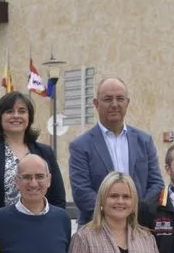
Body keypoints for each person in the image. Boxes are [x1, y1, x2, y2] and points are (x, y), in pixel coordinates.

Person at [68, 78, 164, 224]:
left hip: (138, 227)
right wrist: (114, 217)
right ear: (96, 104)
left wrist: (135, 214)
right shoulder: (80, 146)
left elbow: (156, 185)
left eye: (120, 98)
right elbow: (82, 191)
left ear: (127, 102)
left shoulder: (144, 141)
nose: (114, 104)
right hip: (97, 228)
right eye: (107, 99)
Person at [0, 91, 66, 218]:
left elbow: (58, 197)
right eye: (9, 111)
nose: (16, 116)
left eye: (22, 111)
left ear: (29, 117)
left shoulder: (45, 152)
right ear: (0, 117)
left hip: (41, 226)